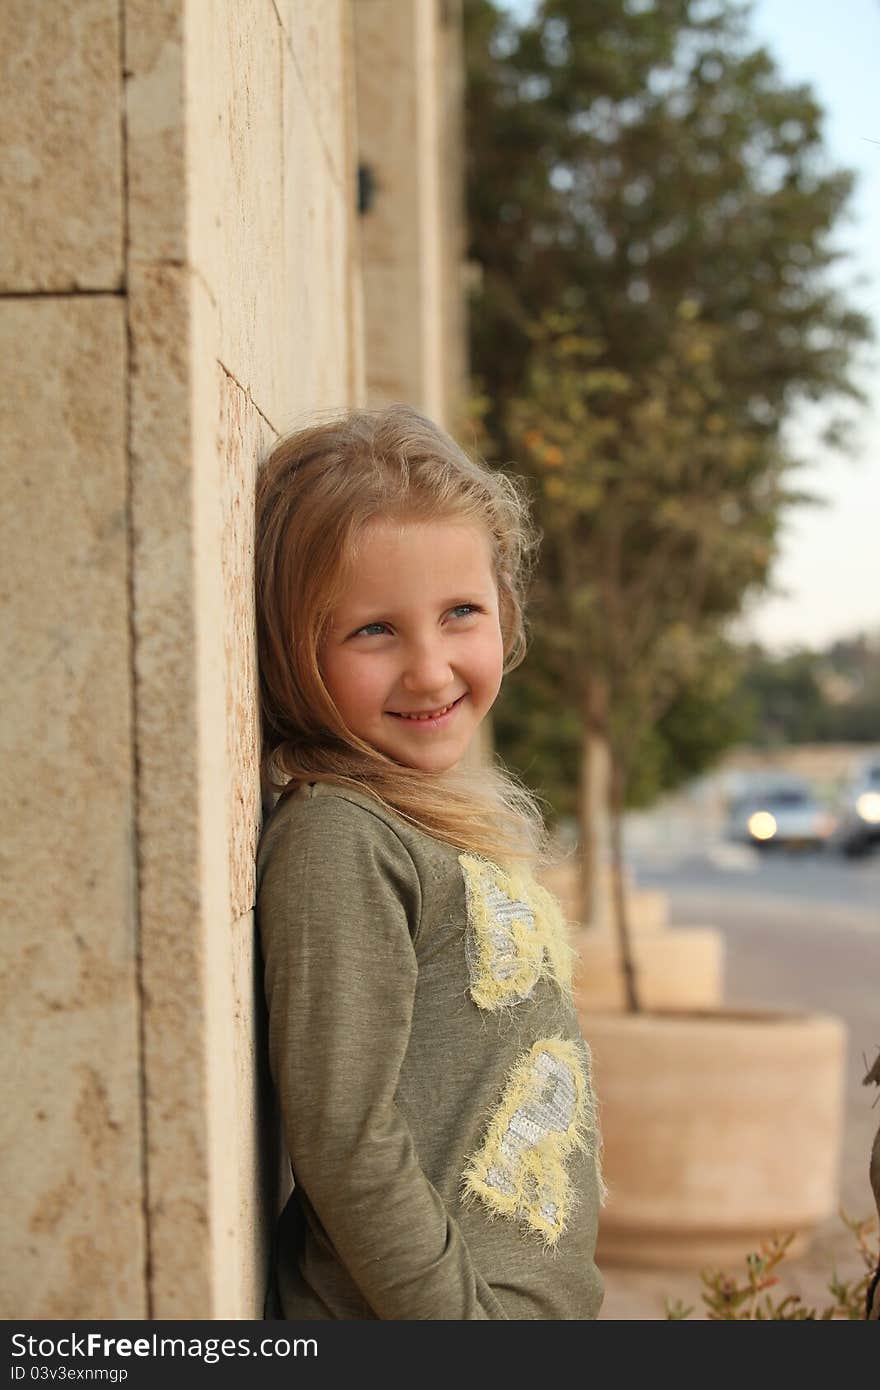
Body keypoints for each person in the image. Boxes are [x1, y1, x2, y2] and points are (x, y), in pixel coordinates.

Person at [254, 404, 605, 1320]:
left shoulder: (429, 820)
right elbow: (344, 1137)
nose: (431, 668)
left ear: (506, 612)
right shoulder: (342, 836)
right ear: (297, 650)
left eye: (461, 614)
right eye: (374, 630)